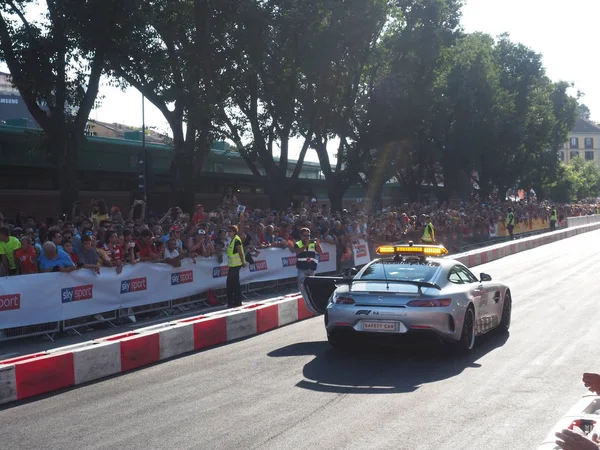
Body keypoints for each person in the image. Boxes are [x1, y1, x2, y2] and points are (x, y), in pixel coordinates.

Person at [294, 227, 323, 292]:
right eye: (305, 235)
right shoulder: (298, 243)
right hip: (302, 267)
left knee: (311, 285)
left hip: (311, 267)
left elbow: (320, 252)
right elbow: (298, 251)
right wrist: (306, 245)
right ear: (301, 235)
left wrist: (318, 245)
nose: (307, 237)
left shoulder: (312, 243)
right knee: (301, 284)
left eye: (308, 235)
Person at [226, 225, 246, 308]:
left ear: (234, 232)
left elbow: (240, 252)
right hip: (232, 265)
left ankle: (236, 301)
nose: (229, 233)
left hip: (236, 265)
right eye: (229, 231)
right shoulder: (232, 240)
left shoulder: (236, 240)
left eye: (230, 231)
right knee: (232, 283)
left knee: (233, 284)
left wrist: (243, 262)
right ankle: (235, 301)